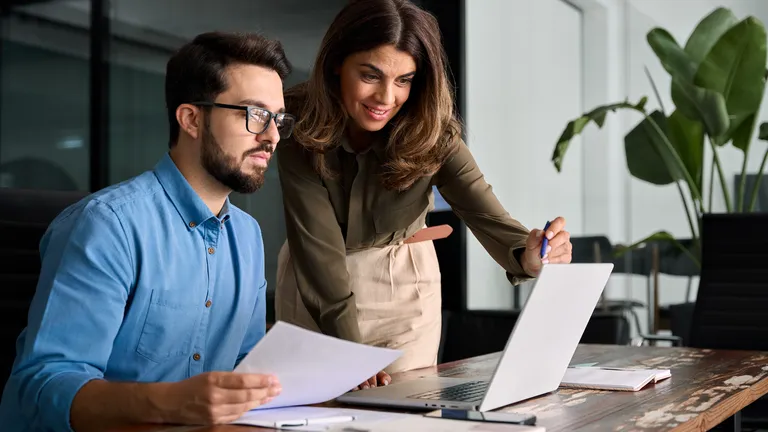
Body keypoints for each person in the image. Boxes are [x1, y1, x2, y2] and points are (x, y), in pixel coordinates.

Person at [0, 31, 296, 431]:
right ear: (191, 118)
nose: (272, 136)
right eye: (254, 114)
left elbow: (246, 368)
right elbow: (39, 389)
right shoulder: (106, 225)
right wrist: (171, 403)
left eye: (277, 119)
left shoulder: (247, 236)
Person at [275, 0, 573, 390]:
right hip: (314, 286)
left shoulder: (432, 130)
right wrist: (351, 352)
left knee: (406, 414)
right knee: (312, 412)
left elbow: (484, 212)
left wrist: (528, 254)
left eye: (404, 80)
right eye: (370, 75)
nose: (386, 97)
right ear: (336, 63)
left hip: (405, 285)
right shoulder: (297, 120)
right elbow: (318, 251)